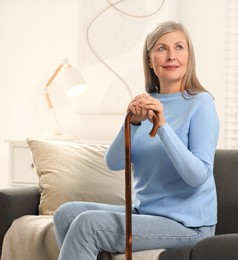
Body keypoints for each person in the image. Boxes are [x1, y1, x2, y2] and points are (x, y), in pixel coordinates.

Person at [53, 21, 220, 259]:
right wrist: (131, 123)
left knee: (88, 224)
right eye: (162, 48)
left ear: (189, 57)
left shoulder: (200, 103)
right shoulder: (145, 102)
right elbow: (113, 162)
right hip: (146, 214)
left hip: (190, 225)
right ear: (150, 60)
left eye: (179, 47)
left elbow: (198, 176)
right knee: (65, 213)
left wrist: (162, 126)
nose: (171, 56)